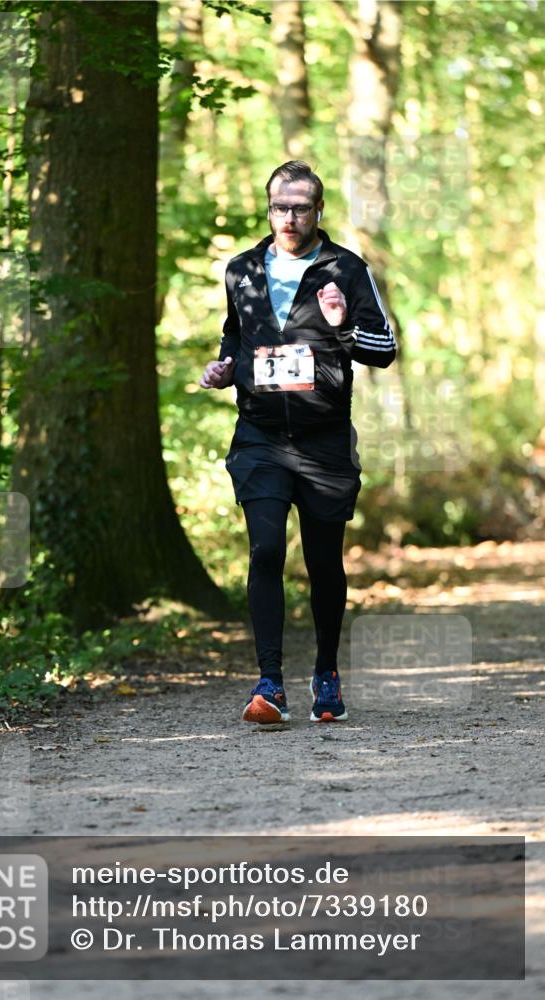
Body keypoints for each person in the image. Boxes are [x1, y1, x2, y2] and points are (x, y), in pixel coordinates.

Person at [200, 160, 396, 725]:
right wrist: (224, 368)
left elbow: (382, 348)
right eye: (280, 207)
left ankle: (327, 674)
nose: (289, 217)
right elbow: (235, 336)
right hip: (259, 436)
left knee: (323, 563)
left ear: (318, 210)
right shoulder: (241, 270)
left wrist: (339, 325)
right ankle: (270, 683)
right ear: (268, 209)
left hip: (324, 440)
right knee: (264, 551)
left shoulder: (346, 269)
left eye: (300, 208)